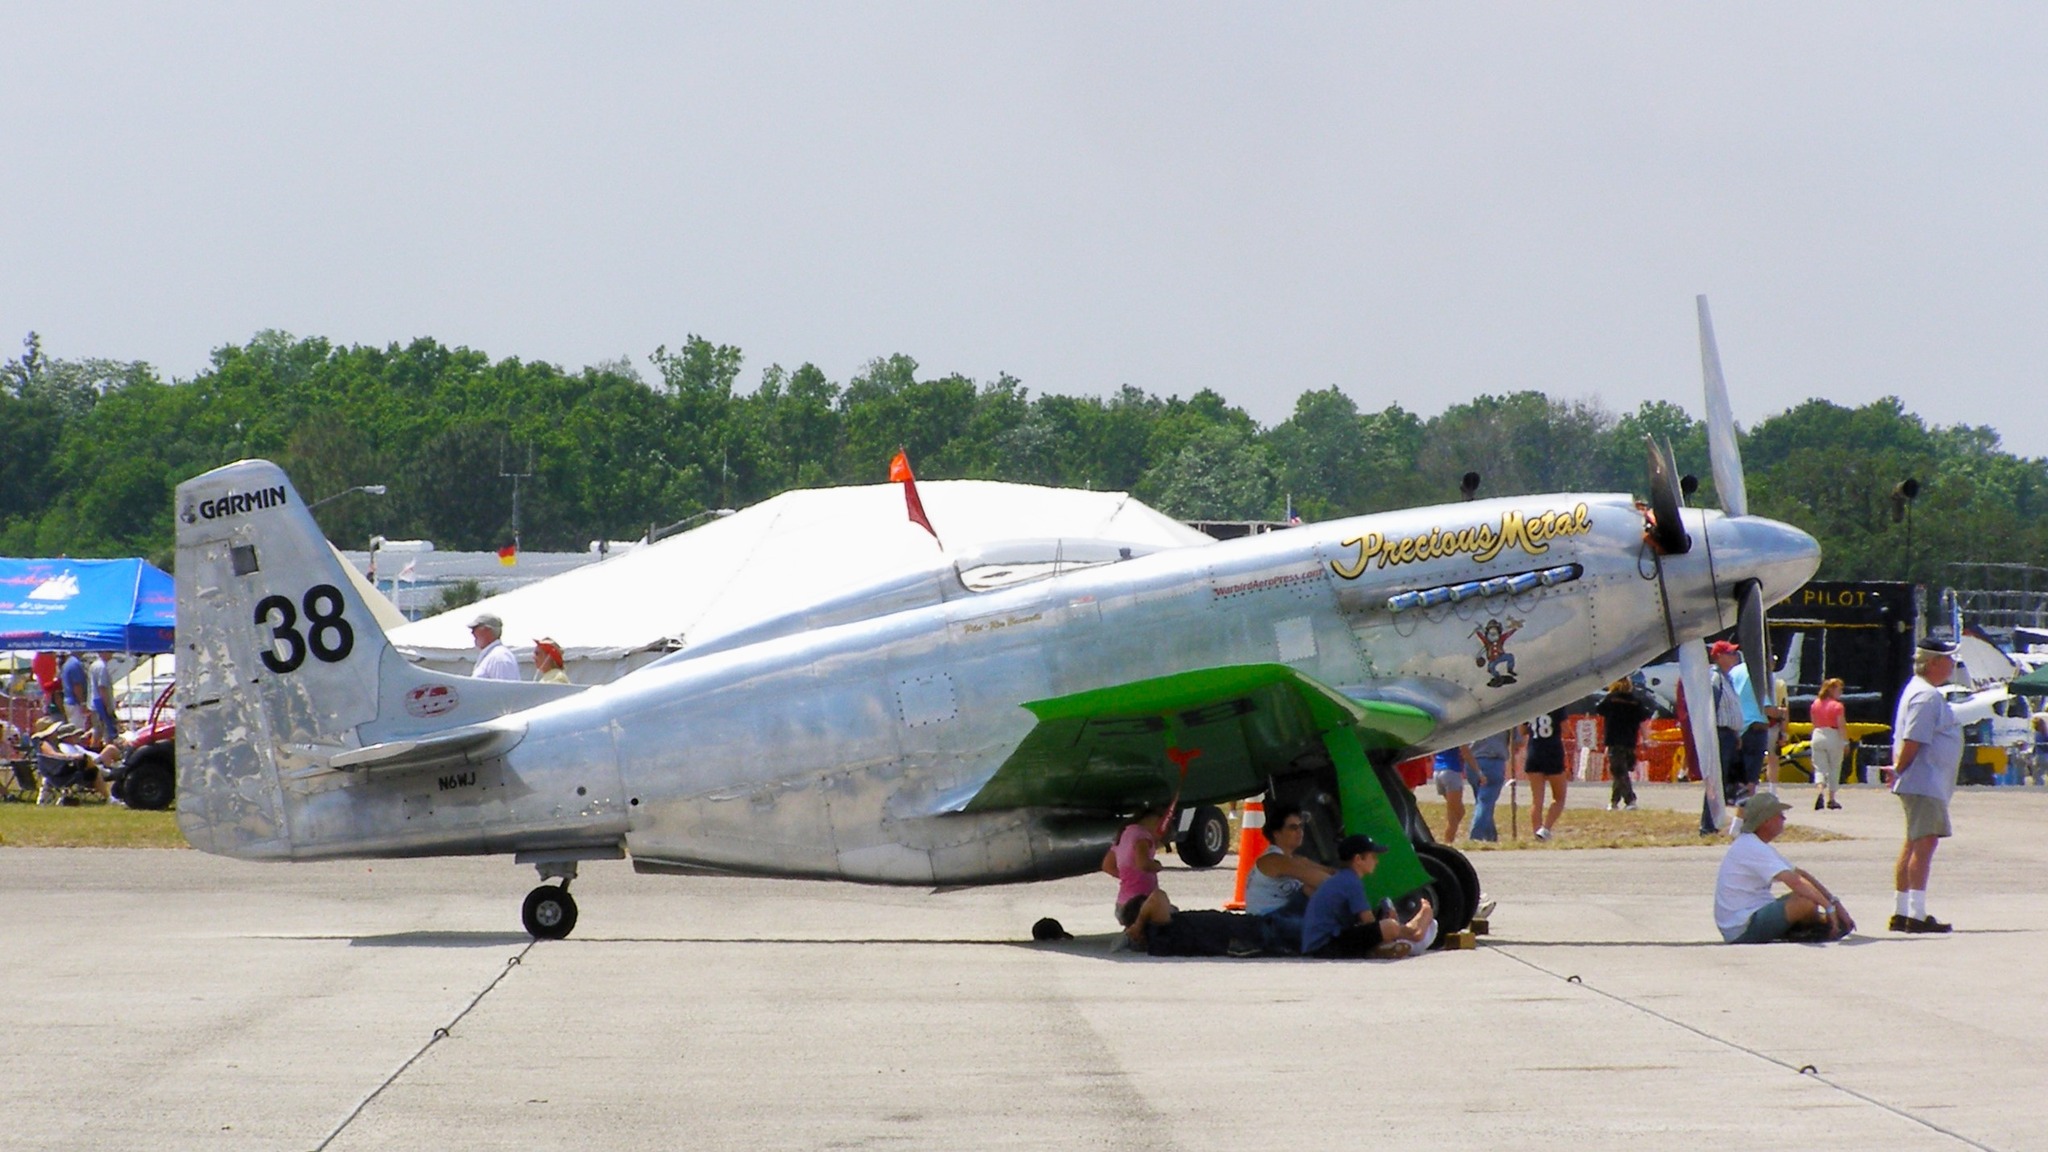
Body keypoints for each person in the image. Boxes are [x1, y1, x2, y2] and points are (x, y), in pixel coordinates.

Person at [1890, 635, 1963, 933]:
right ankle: (1916, 915)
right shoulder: (1926, 696)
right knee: (1924, 844)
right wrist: (1899, 769)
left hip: (1923, 781)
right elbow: (1914, 739)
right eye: (1948, 659)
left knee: (1913, 843)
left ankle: (1901, 911)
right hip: (1925, 780)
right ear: (1933, 662)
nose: (1952, 664)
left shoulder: (1920, 691)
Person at [1714, 792, 1855, 943]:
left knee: (1810, 896)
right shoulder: (1751, 846)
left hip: (1750, 916)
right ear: (1766, 820)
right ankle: (1810, 930)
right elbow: (1796, 882)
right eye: (1780, 815)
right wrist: (1829, 907)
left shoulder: (1754, 843)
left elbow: (1801, 875)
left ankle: (1806, 929)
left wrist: (1834, 903)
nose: (1784, 819)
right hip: (1741, 927)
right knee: (1806, 901)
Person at [1300, 835, 1436, 958]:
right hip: (1326, 945)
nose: (1376, 861)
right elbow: (1368, 921)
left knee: (1387, 927)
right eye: (1373, 857)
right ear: (1358, 859)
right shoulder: (1351, 881)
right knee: (1390, 927)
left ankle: (1385, 946)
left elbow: (1362, 924)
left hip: (1325, 943)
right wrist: (1387, 926)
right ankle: (1414, 931)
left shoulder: (1343, 878)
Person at [1244, 804, 1334, 951]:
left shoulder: (1295, 860)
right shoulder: (1274, 859)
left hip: (1286, 915)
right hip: (1267, 923)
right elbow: (1325, 881)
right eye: (1293, 828)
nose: (1300, 832)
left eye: (1301, 827)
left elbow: (1332, 873)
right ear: (1276, 833)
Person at [1120, 889, 1273, 957]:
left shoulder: (1169, 928)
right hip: (1249, 932)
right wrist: (1138, 925)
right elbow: (1157, 897)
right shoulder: (1159, 936)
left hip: (1249, 925)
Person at [1718, 641, 1772, 799]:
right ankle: (1745, 804)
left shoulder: (1733, 673)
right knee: (1751, 776)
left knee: (1739, 772)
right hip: (1755, 726)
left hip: (1739, 726)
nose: (1735, 656)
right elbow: (1766, 705)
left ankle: (1737, 800)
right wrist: (1781, 714)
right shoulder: (1758, 673)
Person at [1104, 806, 1166, 928]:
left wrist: (1130, 876)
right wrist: (1157, 866)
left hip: (1122, 902)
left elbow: (1107, 866)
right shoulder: (1142, 836)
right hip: (1140, 902)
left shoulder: (1124, 835)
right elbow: (1143, 864)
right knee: (1171, 917)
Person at [1596, 680, 1652, 811]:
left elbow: (1599, 710)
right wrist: (1646, 739)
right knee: (1621, 771)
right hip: (1630, 741)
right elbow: (1642, 721)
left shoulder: (1611, 699)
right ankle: (1614, 801)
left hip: (1614, 740)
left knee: (1619, 771)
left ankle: (1630, 800)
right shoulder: (1635, 701)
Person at [1517, 705, 1570, 840]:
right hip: (1553, 752)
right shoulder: (1557, 705)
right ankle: (1545, 829)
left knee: (1537, 800)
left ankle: (1536, 831)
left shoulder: (1530, 707)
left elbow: (1522, 730)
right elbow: (1565, 729)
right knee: (1559, 797)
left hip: (1534, 752)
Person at [1809, 678, 1848, 810]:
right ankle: (1831, 798)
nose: (1841, 692)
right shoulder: (1837, 706)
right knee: (1834, 767)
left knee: (1820, 768)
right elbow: (1841, 725)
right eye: (1839, 689)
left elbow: (1814, 722)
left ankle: (1820, 790)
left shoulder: (1815, 704)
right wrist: (1845, 741)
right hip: (1833, 735)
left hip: (1818, 733)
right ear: (1831, 690)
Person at [1466, 730, 1510, 841]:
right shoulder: (1503, 721)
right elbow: (1518, 742)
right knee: (1485, 802)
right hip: (1493, 761)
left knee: (1483, 802)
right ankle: (1475, 837)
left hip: (1472, 760)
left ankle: (1491, 837)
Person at [1432, 744, 1477, 842]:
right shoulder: (1457, 737)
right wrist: (1478, 772)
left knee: (1459, 810)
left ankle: (1450, 837)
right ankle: (1448, 839)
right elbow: (1466, 753)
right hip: (1451, 771)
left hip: (1437, 770)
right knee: (1454, 812)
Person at [468, 613, 519, 681]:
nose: (472, 633)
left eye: (475, 628)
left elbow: (504, 686)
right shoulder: (492, 656)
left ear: (487, 630)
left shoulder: (499, 657)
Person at [88, 651, 119, 742]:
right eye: (109, 652)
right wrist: (108, 706)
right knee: (106, 731)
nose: (111, 654)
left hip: (94, 703)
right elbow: (102, 688)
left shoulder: (94, 665)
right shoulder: (102, 667)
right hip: (100, 704)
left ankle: (95, 748)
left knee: (98, 731)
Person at [59, 652, 91, 732]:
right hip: (75, 703)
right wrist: (82, 703)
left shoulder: (67, 663)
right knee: (79, 730)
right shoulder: (75, 664)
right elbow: (77, 685)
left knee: (74, 728)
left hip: (69, 701)